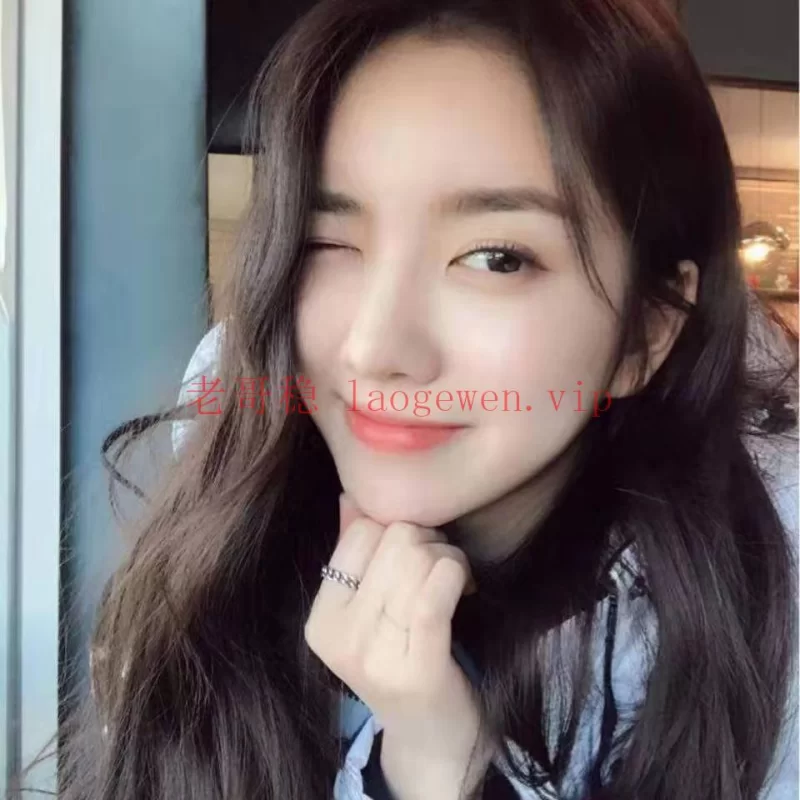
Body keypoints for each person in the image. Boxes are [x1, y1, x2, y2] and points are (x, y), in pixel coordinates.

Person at [56, 0, 799, 798]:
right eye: (327, 241)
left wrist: (444, 764)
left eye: (496, 257)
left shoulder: (759, 636)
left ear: (645, 332)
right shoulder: (226, 525)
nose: (374, 348)